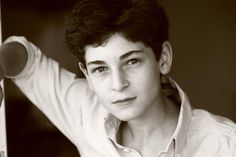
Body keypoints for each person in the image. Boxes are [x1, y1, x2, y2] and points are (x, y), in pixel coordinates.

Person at [0, 0, 236, 156]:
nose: (117, 84)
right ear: (87, 75)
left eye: (131, 61)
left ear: (163, 58)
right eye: (100, 69)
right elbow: (26, 62)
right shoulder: (86, 114)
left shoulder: (225, 145)